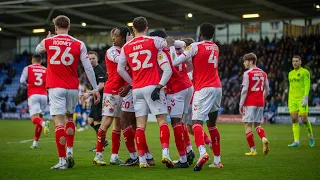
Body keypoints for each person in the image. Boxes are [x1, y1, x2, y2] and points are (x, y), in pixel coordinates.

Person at [35, 15, 100, 170]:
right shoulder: (79, 44)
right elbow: (88, 68)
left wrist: (49, 38)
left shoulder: (48, 41)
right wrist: (95, 88)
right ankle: (70, 151)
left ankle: (63, 160)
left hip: (55, 86)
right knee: (70, 118)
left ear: (56, 27)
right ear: (69, 27)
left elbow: (37, 50)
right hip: (72, 87)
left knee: (58, 122)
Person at [117, 16, 173, 168]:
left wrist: (132, 82)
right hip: (153, 86)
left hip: (137, 89)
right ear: (147, 27)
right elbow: (168, 43)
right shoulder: (153, 41)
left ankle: (142, 160)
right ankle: (165, 154)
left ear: (133, 28)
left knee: (140, 126)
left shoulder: (126, 47)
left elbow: (120, 69)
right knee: (162, 120)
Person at [173, 22, 223, 171]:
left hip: (203, 88)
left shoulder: (195, 47)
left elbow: (176, 62)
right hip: (217, 87)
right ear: (213, 35)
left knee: (196, 123)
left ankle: (202, 152)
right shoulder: (215, 47)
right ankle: (217, 161)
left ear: (200, 33)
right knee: (212, 125)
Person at [149, 30, 193, 168]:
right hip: (187, 86)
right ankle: (189, 149)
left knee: (176, 123)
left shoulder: (161, 52)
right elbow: (184, 44)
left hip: (176, 89)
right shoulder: (177, 46)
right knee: (181, 121)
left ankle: (183, 159)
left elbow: (165, 71)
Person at [92, 28, 129, 166]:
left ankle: (114, 156)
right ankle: (98, 155)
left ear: (123, 37)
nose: (113, 38)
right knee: (106, 122)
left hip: (122, 91)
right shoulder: (112, 51)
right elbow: (122, 61)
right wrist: (130, 46)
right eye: (112, 35)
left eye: (117, 35)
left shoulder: (124, 49)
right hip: (112, 90)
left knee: (118, 124)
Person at [239, 53, 270, 156]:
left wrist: (241, 103)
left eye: (245, 61)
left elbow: (244, 90)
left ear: (251, 61)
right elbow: (268, 90)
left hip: (250, 103)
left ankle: (253, 150)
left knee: (248, 125)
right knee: (257, 124)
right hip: (260, 102)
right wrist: (262, 98)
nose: (244, 63)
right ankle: (264, 138)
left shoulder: (247, 73)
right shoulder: (263, 73)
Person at [20, 54, 50, 149]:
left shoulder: (27, 68)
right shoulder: (46, 69)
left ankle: (45, 123)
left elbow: (22, 81)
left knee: (35, 120)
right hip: (44, 96)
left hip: (33, 95)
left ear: (32, 60)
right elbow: (49, 83)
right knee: (39, 119)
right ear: (41, 61)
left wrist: (28, 85)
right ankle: (35, 144)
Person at [81, 51, 108, 151]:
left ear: (97, 59)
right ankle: (103, 141)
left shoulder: (99, 70)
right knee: (90, 121)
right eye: (89, 59)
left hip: (100, 99)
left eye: (93, 58)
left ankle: (100, 146)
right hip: (95, 98)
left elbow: (101, 85)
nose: (91, 60)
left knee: (96, 122)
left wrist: (89, 93)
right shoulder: (92, 70)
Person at [287, 55, 315, 147]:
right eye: (293, 61)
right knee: (294, 119)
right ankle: (296, 141)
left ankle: (310, 135)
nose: (294, 63)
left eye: (296, 61)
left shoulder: (305, 72)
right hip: (292, 100)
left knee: (304, 120)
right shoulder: (290, 73)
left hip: (302, 99)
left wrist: (306, 97)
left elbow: (307, 85)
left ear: (300, 62)